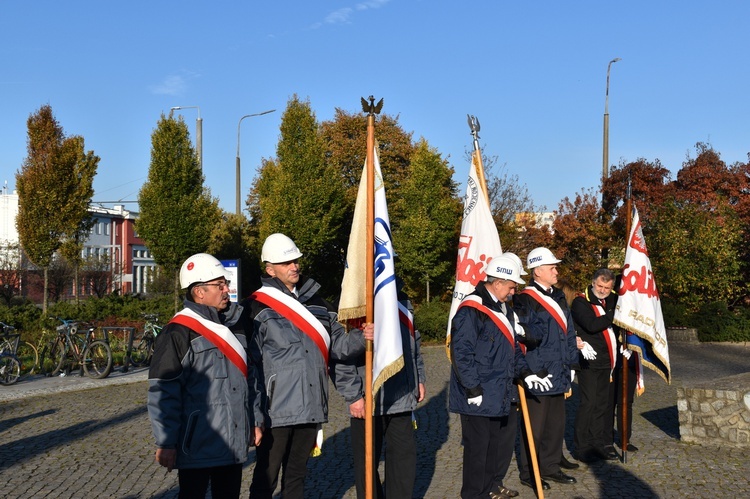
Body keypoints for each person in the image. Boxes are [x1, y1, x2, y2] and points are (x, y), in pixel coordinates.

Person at [246, 233, 372, 499]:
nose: (294, 266)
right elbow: (251, 367)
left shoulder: (318, 302)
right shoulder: (255, 307)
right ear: (270, 269)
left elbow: (337, 347)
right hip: (275, 409)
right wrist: (255, 414)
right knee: (265, 478)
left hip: (311, 404)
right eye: (286, 262)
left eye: (296, 260)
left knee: (297, 476)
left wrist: (363, 337)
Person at [147, 253, 254, 499]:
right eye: (220, 285)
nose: (227, 289)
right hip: (195, 445)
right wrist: (166, 442)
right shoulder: (177, 332)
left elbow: (249, 381)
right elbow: (163, 391)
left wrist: (252, 422)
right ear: (199, 292)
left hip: (231, 445)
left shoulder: (235, 325)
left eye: (225, 283)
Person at [332, 277, 426, 499]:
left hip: (402, 394)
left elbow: (414, 341)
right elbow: (339, 354)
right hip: (367, 398)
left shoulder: (401, 299)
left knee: (404, 460)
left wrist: (419, 377)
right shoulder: (351, 301)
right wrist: (353, 396)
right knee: (367, 463)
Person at [450, 255, 533, 499]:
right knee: (478, 450)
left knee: (492, 447)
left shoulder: (501, 307)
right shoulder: (472, 310)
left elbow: (512, 347)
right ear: (498, 283)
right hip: (478, 392)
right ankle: (474, 494)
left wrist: (525, 371)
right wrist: (472, 387)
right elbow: (461, 352)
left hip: (499, 390)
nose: (513, 290)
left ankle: (489, 489)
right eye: (511, 285)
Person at [513, 247, 580, 491]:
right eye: (552, 267)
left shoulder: (560, 296)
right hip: (539, 370)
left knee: (556, 424)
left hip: (560, 368)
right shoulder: (524, 299)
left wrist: (572, 363)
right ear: (538, 271)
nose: (556, 270)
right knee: (535, 426)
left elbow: (569, 332)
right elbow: (525, 336)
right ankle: (529, 472)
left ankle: (551, 466)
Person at [571, 269, 620, 463]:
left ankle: (598, 442)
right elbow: (592, 325)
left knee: (602, 405)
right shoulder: (581, 302)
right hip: (589, 360)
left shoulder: (614, 300)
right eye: (600, 286)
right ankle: (581, 447)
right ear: (593, 283)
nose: (602, 290)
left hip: (608, 360)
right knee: (588, 403)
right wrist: (614, 315)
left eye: (607, 287)